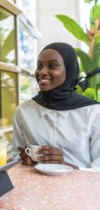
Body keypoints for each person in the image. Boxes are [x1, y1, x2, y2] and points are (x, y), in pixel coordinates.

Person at [12, 42, 100, 170]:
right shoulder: (24, 111)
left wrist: (65, 166)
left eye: (52, 66)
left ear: (69, 70)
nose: (42, 72)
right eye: (39, 66)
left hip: (79, 189)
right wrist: (23, 160)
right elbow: (16, 157)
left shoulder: (93, 113)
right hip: (35, 187)